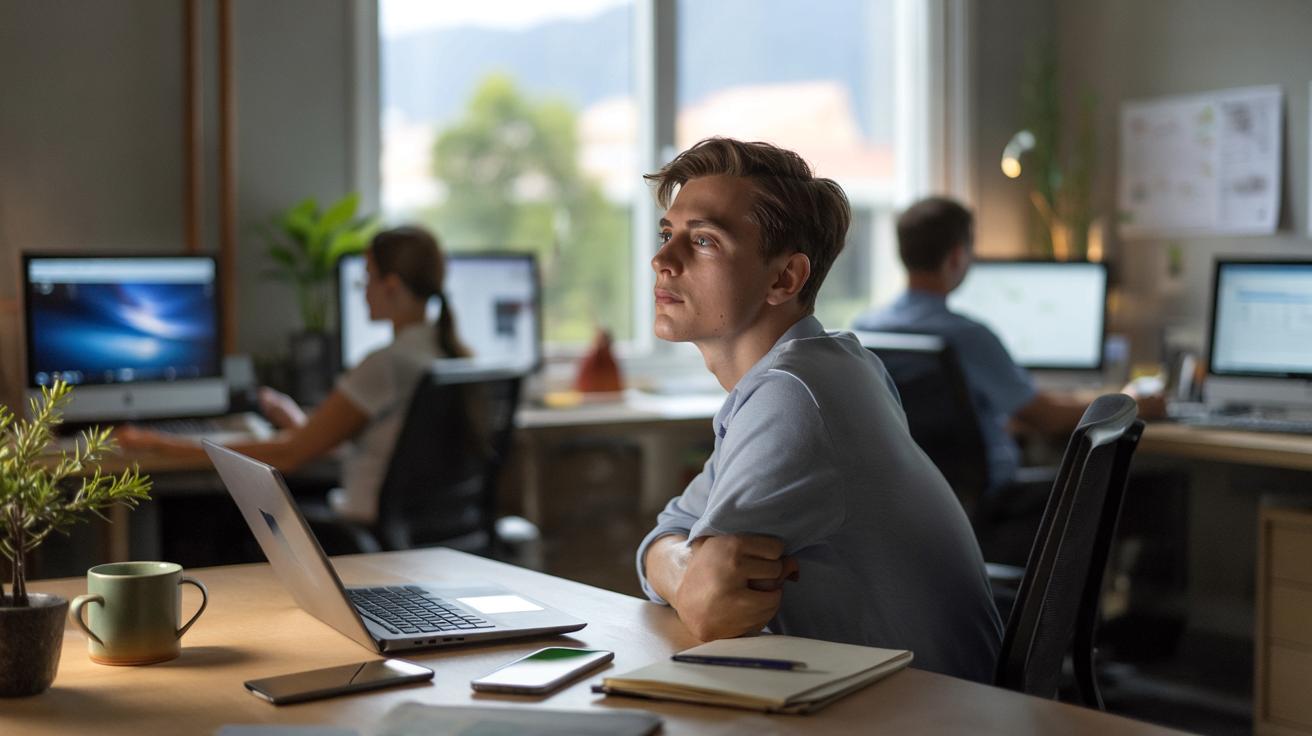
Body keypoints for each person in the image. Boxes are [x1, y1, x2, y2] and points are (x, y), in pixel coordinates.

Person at [635, 138, 1001, 683]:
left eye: (704, 240)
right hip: (918, 702)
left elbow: (710, 609)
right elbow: (663, 541)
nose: (662, 260)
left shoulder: (795, 395)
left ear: (785, 278)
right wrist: (681, 566)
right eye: (668, 234)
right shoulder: (820, 369)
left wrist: (685, 573)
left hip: (924, 715)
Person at [119, 225, 468, 524]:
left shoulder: (387, 364)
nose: (362, 290)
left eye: (367, 278)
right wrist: (298, 423)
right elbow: (375, 449)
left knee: (210, 519)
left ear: (391, 286)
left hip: (362, 524)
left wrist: (160, 444)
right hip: (415, 530)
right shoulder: (446, 354)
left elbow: (289, 455)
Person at [851, 196, 1164, 492]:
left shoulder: (865, 330)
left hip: (915, 500)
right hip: (990, 501)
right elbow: (1048, 419)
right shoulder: (967, 336)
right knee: (1152, 486)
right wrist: (1129, 402)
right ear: (958, 256)